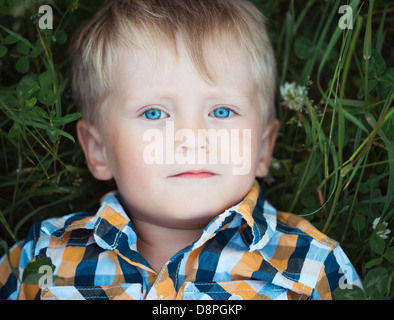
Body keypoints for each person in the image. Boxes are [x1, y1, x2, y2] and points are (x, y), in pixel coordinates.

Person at [0, 0, 362, 300]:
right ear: (99, 150)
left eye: (221, 111)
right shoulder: (41, 257)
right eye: (154, 113)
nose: (192, 137)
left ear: (263, 148)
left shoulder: (311, 266)